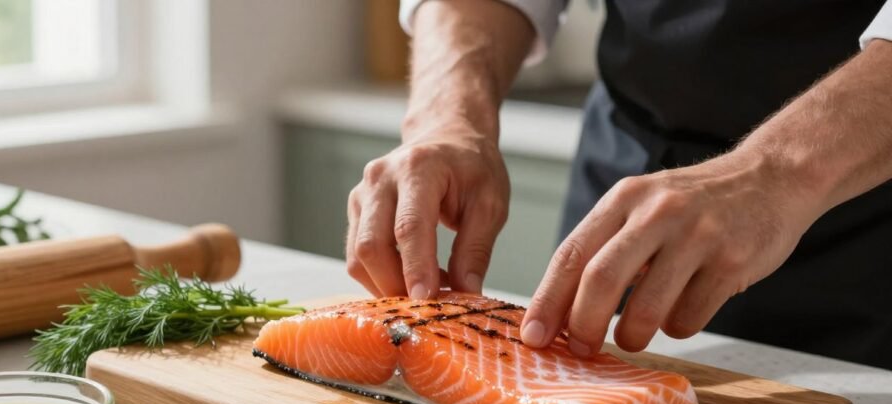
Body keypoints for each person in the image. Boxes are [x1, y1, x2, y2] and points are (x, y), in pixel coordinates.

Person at [345, 0, 892, 369]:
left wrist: (774, 173)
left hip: (859, 205)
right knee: (575, 382)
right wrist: (447, 120)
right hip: (625, 161)